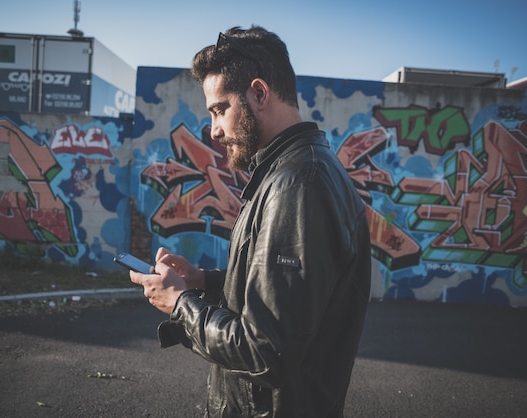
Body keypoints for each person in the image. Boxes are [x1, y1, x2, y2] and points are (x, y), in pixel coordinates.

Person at [129, 25, 371, 417]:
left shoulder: (298, 185)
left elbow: (265, 351)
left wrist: (179, 305)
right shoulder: (294, 172)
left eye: (220, 109)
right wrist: (204, 282)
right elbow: (289, 293)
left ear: (259, 94)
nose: (214, 129)